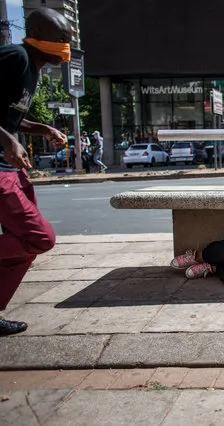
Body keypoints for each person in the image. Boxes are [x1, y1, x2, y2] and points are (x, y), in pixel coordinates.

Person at [0, 8, 71, 335]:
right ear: (37, 35)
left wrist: (41, 129)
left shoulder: (35, 71)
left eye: (69, 39)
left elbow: (9, 117)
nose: (66, 46)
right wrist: (8, 141)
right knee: (39, 238)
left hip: (11, 169)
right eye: (61, 39)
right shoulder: (15, 57)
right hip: (1, 169)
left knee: (24, 243)